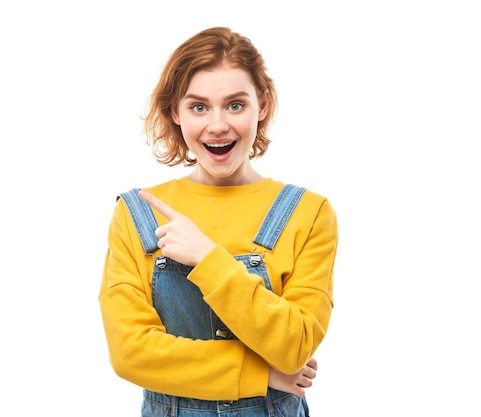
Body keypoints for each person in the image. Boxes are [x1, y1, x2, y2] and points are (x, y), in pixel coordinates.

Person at [99, 26, 338, 417]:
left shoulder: (308, 213)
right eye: (198, 107)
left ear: (261, 105)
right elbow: (131, 353)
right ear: (175, 111)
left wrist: (209, 258)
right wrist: (263, 373)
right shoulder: (136, 212)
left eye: (235, 105)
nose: (217, 125)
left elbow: (295, 347)